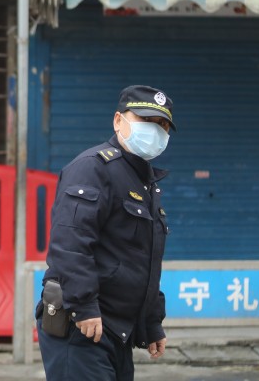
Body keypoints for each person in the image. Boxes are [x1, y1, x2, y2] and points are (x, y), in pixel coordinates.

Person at [37, 85, 175, 381]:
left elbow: (143, 260)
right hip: (82, 325)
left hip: (116, 330)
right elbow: (70, 243)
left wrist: (152, 322)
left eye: (162, 125)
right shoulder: (92, 169)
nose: (156, 131)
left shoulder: (145, 183)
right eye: (146, 121)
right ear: (117, 121)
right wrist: (85, 306)